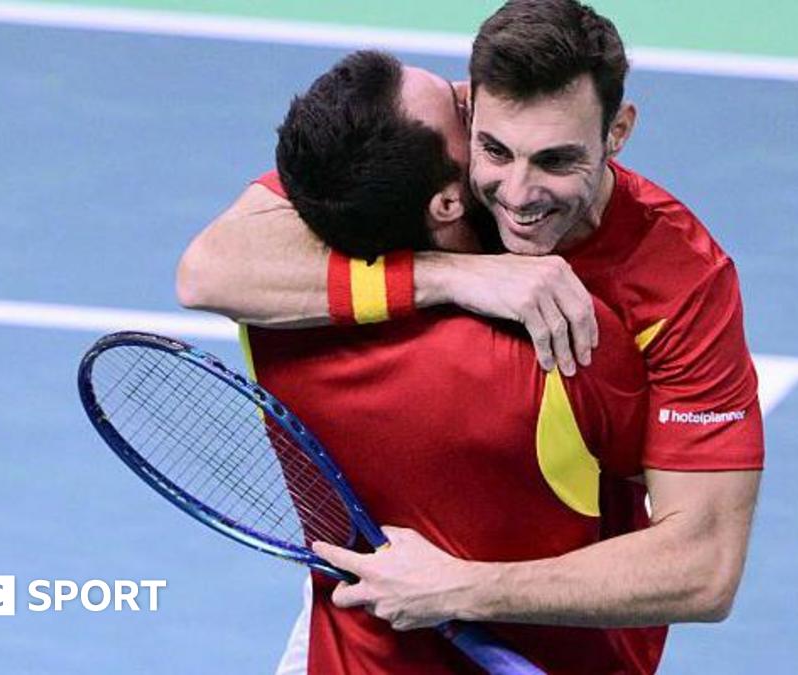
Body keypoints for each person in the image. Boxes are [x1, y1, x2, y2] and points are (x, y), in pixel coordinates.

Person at [178, 0, 764, 669]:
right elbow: (209, 269)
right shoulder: (419, 161)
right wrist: (457, 275)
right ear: (469, 107)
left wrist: (457, 586)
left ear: (618, 131)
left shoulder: (680, 282)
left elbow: (704, 568)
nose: (518, 193)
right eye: (495, 150)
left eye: (556, 159)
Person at [216, 49, 657, 673]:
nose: (468, 95)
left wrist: (447, 273)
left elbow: (206, 270)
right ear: (447, 202)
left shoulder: (269, 319)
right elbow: (677, 530)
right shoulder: (569, 344)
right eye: (458, 109)